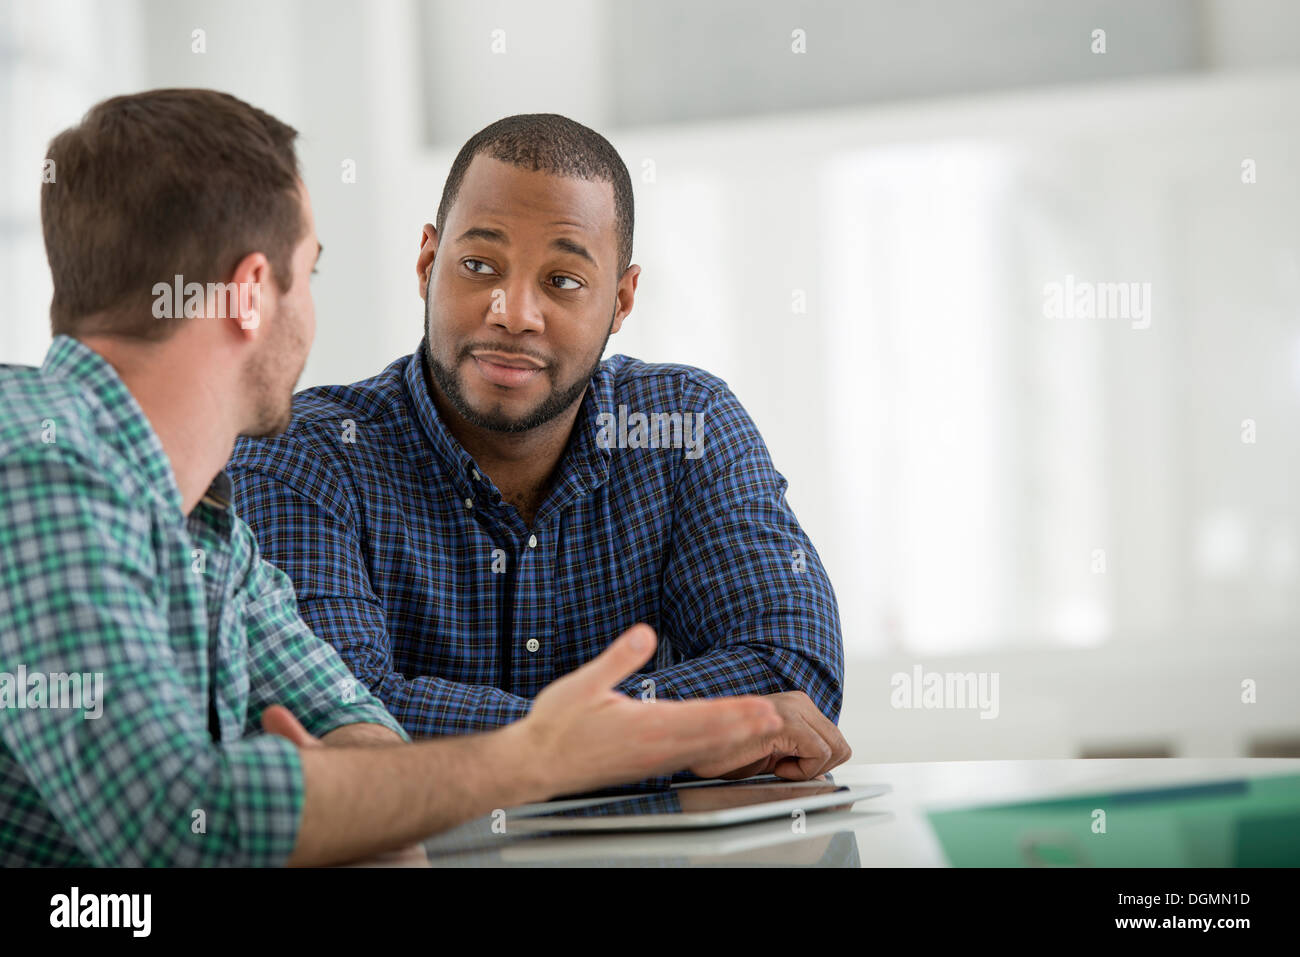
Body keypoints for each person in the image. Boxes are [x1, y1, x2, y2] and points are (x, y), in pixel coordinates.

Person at [0, 89, 783, 867]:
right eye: (309, 269)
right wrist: (537, 754)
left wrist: (374, 807)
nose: (515, 313)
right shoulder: (37, 462)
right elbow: (174, 814)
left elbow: (353, 724)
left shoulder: (212, 537)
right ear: (247, 296)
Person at [227, 113, 850, 782]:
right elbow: (334, 718)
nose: (513, 311)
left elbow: (792, 669)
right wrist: (642, 738)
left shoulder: (688, 427)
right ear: (427, 264)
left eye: (564, 282)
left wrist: (554, 742)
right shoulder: (303, 452)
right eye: (478, 264)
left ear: (620, 299)